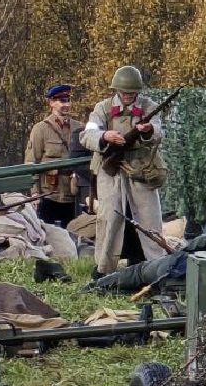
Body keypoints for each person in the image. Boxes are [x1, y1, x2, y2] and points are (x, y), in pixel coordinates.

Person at [80, 66, 167, 277]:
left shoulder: (149, 106)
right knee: (108, 218)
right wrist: (105, 136)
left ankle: (157, 270)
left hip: (141, 171)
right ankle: (103, 271)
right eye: (124, 92)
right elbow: (87, 134)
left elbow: (158, 131)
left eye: (132, 92)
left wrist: (148, 131)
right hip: (111, 171)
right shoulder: (102, 108)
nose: (128, 96)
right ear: (117, 90)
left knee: (149, 218)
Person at [25, 85, 85, 228]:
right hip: (50, 193)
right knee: (50, 235)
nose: (66, 104)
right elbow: (31, 162)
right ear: (51, 103)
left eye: (68, 100)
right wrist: (35, 193)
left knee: (76, 234)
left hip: (74, 193)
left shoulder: (80, 128)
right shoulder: (41, 129)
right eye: (61, 101)